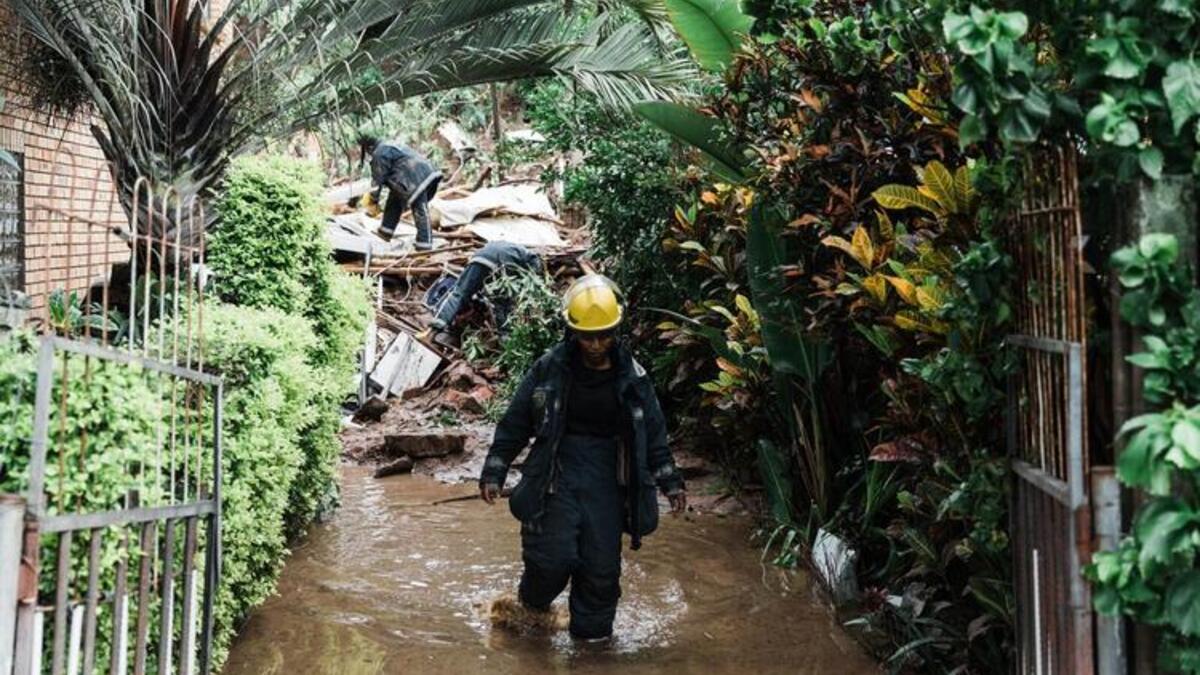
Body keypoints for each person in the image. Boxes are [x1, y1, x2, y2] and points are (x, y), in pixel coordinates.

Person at [479, 274, 687, 641]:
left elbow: (653, 434)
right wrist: (495, 470)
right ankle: (529, 613)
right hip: (555, 475)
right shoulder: (549, 369)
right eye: (587, 336)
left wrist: (670, 482)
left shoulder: (634, 378)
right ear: (572, 331)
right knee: (550, 561)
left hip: (609, 482)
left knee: (601, 573)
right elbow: (516, 421)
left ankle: (592, 651)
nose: (595, 344)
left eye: (604, 335)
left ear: (616, 330)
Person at [424, 241, 543, 345]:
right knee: (502, 303)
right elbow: (526, 282)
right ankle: (505, 338)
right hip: (500, 265)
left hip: (479, 258)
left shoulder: (513, 247)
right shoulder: (533, 259)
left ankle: (434, 329)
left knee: (459, 293)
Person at [360, 136, 442, 249]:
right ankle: (385, 232)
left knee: (420, 211)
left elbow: (377, 180)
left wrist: (373, 200)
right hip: (414, 177)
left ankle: (425, 244)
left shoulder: (379, 153)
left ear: (369, 148)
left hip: (416, 179)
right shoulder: (387, 145)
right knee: (394, 201)